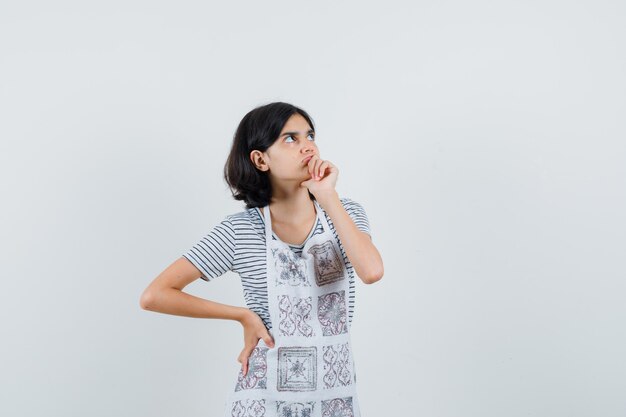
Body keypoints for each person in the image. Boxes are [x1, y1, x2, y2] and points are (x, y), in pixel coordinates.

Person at [139, 101, 384, 417]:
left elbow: (372, 271)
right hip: (262, 401)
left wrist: (328, 197)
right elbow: (155, 296)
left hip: (335, 401)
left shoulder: (345, 213)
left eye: (310, 136)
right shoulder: (239, 230)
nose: (307, 147)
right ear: (260, 159)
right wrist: (242, 315)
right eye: (290, 139)